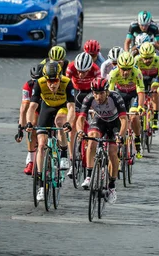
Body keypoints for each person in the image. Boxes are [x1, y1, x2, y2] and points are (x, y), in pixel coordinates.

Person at [26, 62, 75, 202]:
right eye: (49, 81)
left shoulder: (67, 83)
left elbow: (71, 108)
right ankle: (41, 185)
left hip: (62, 107)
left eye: (55, 81)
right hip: (46, 107)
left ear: (60, 78)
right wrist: (29, 123)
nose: (52, 84)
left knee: (60, 123)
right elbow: (32, 107)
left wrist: (69, 123)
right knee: (41, 145)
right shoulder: (40, 83)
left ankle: (64, 153)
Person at [78, 78, 129, 203]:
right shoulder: (89, 98)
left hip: (114, 124)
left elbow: (124, 120)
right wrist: (80, 131)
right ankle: (89, 175)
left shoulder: (115, 97)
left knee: (112, 152)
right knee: (92, 140)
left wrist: (120, 136)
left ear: (107, 92)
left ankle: (111, 186)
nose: (98, 96)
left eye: (101, 93)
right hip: (99, 121)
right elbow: (80, 119)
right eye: (95, 93)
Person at [65, 52, 101, 176]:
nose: (80, 74)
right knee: (73, 126)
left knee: (94, 118)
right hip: (77, 93)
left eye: (84, 72)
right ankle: (72, 160)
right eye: (79, 71)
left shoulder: (96, 69)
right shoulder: (70, 67)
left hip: (91, 93)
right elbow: (65, 85)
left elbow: (99, 89)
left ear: (90, 68)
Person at [108, 52, 145, 158]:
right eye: (123, 69)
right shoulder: (113, 73)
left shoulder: (137, 72)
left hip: (133, 95)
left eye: (128, 69)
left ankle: (137, 140)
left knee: (134, 117)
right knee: (118, 117)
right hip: (120, 95)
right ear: (118, 66)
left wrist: (141, 107)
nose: (125, 72)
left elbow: (141, 92)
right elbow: (110, 93)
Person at [16, 64, 43, 175]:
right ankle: (31, 161)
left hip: (48, 106)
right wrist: (20, 129)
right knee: (31, 128)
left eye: (39, 80)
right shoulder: (28, 85)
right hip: (35, 108)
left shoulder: (49, 84)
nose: (36, 83)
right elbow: (24, 108)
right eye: (34, 80)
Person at [134, 42, 159, 130]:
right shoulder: (136, 60)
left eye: (150, 58)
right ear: (141, 56)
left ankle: (155, 118)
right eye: (145, 58)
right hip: (142, 78)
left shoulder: (158, 60)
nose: (147, 61)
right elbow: (133, 77)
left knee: (155, 90)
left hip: (154, 77)